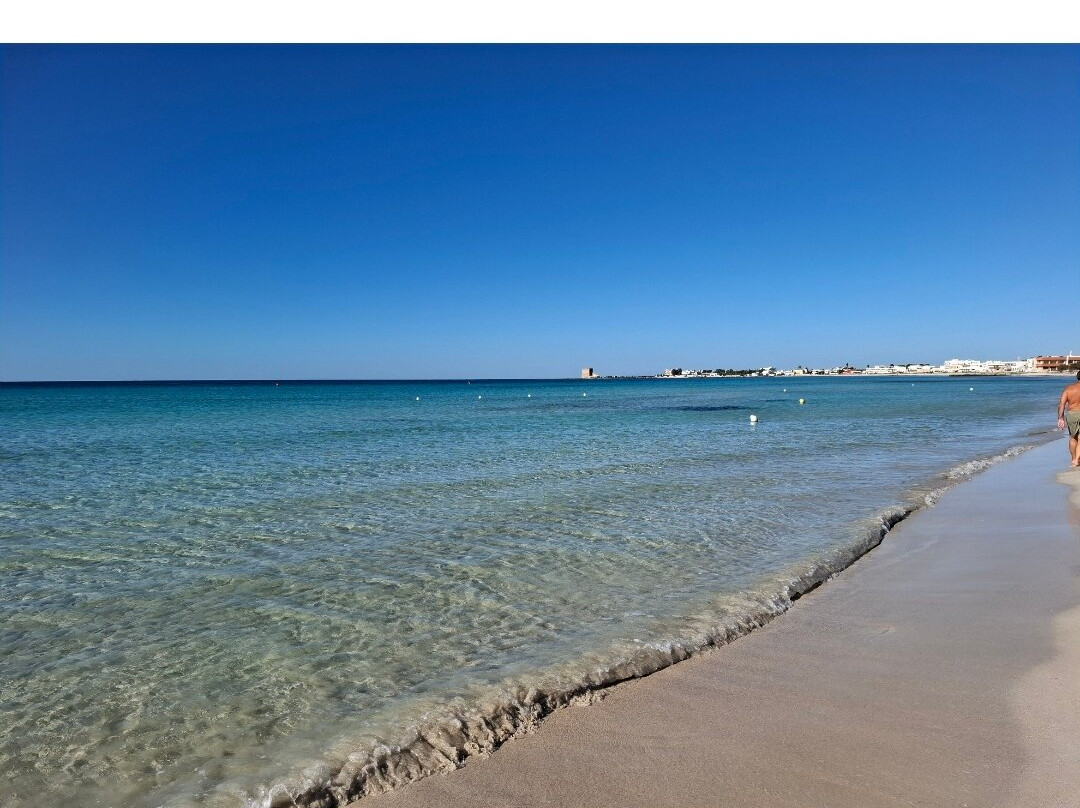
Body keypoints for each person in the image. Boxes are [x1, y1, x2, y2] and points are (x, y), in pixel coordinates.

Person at [1057, 371, 1080, 467]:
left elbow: (1062, 404)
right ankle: (1077, 460)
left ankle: (1074, 459)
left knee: (1073, 437)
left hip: (1072, 414)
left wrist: (1060, 418)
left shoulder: (1068, 389)